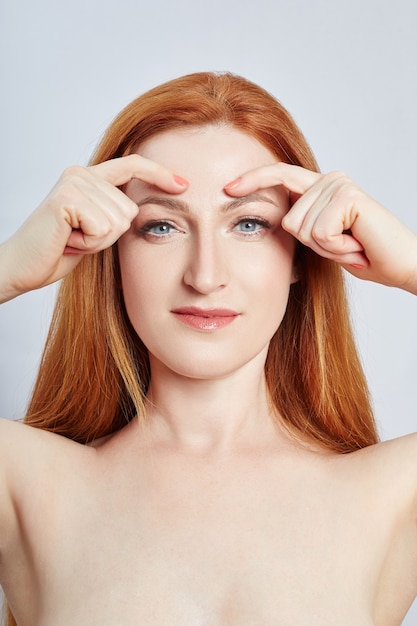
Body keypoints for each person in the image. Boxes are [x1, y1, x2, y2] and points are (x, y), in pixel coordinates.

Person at [0, 71, 416, 626]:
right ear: (110, 253)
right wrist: (8, 269)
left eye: (248, 223)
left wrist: (411, 262)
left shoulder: (391, 494)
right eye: (161, 228)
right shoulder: (24, 481)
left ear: (300, 255)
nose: (205, 275)